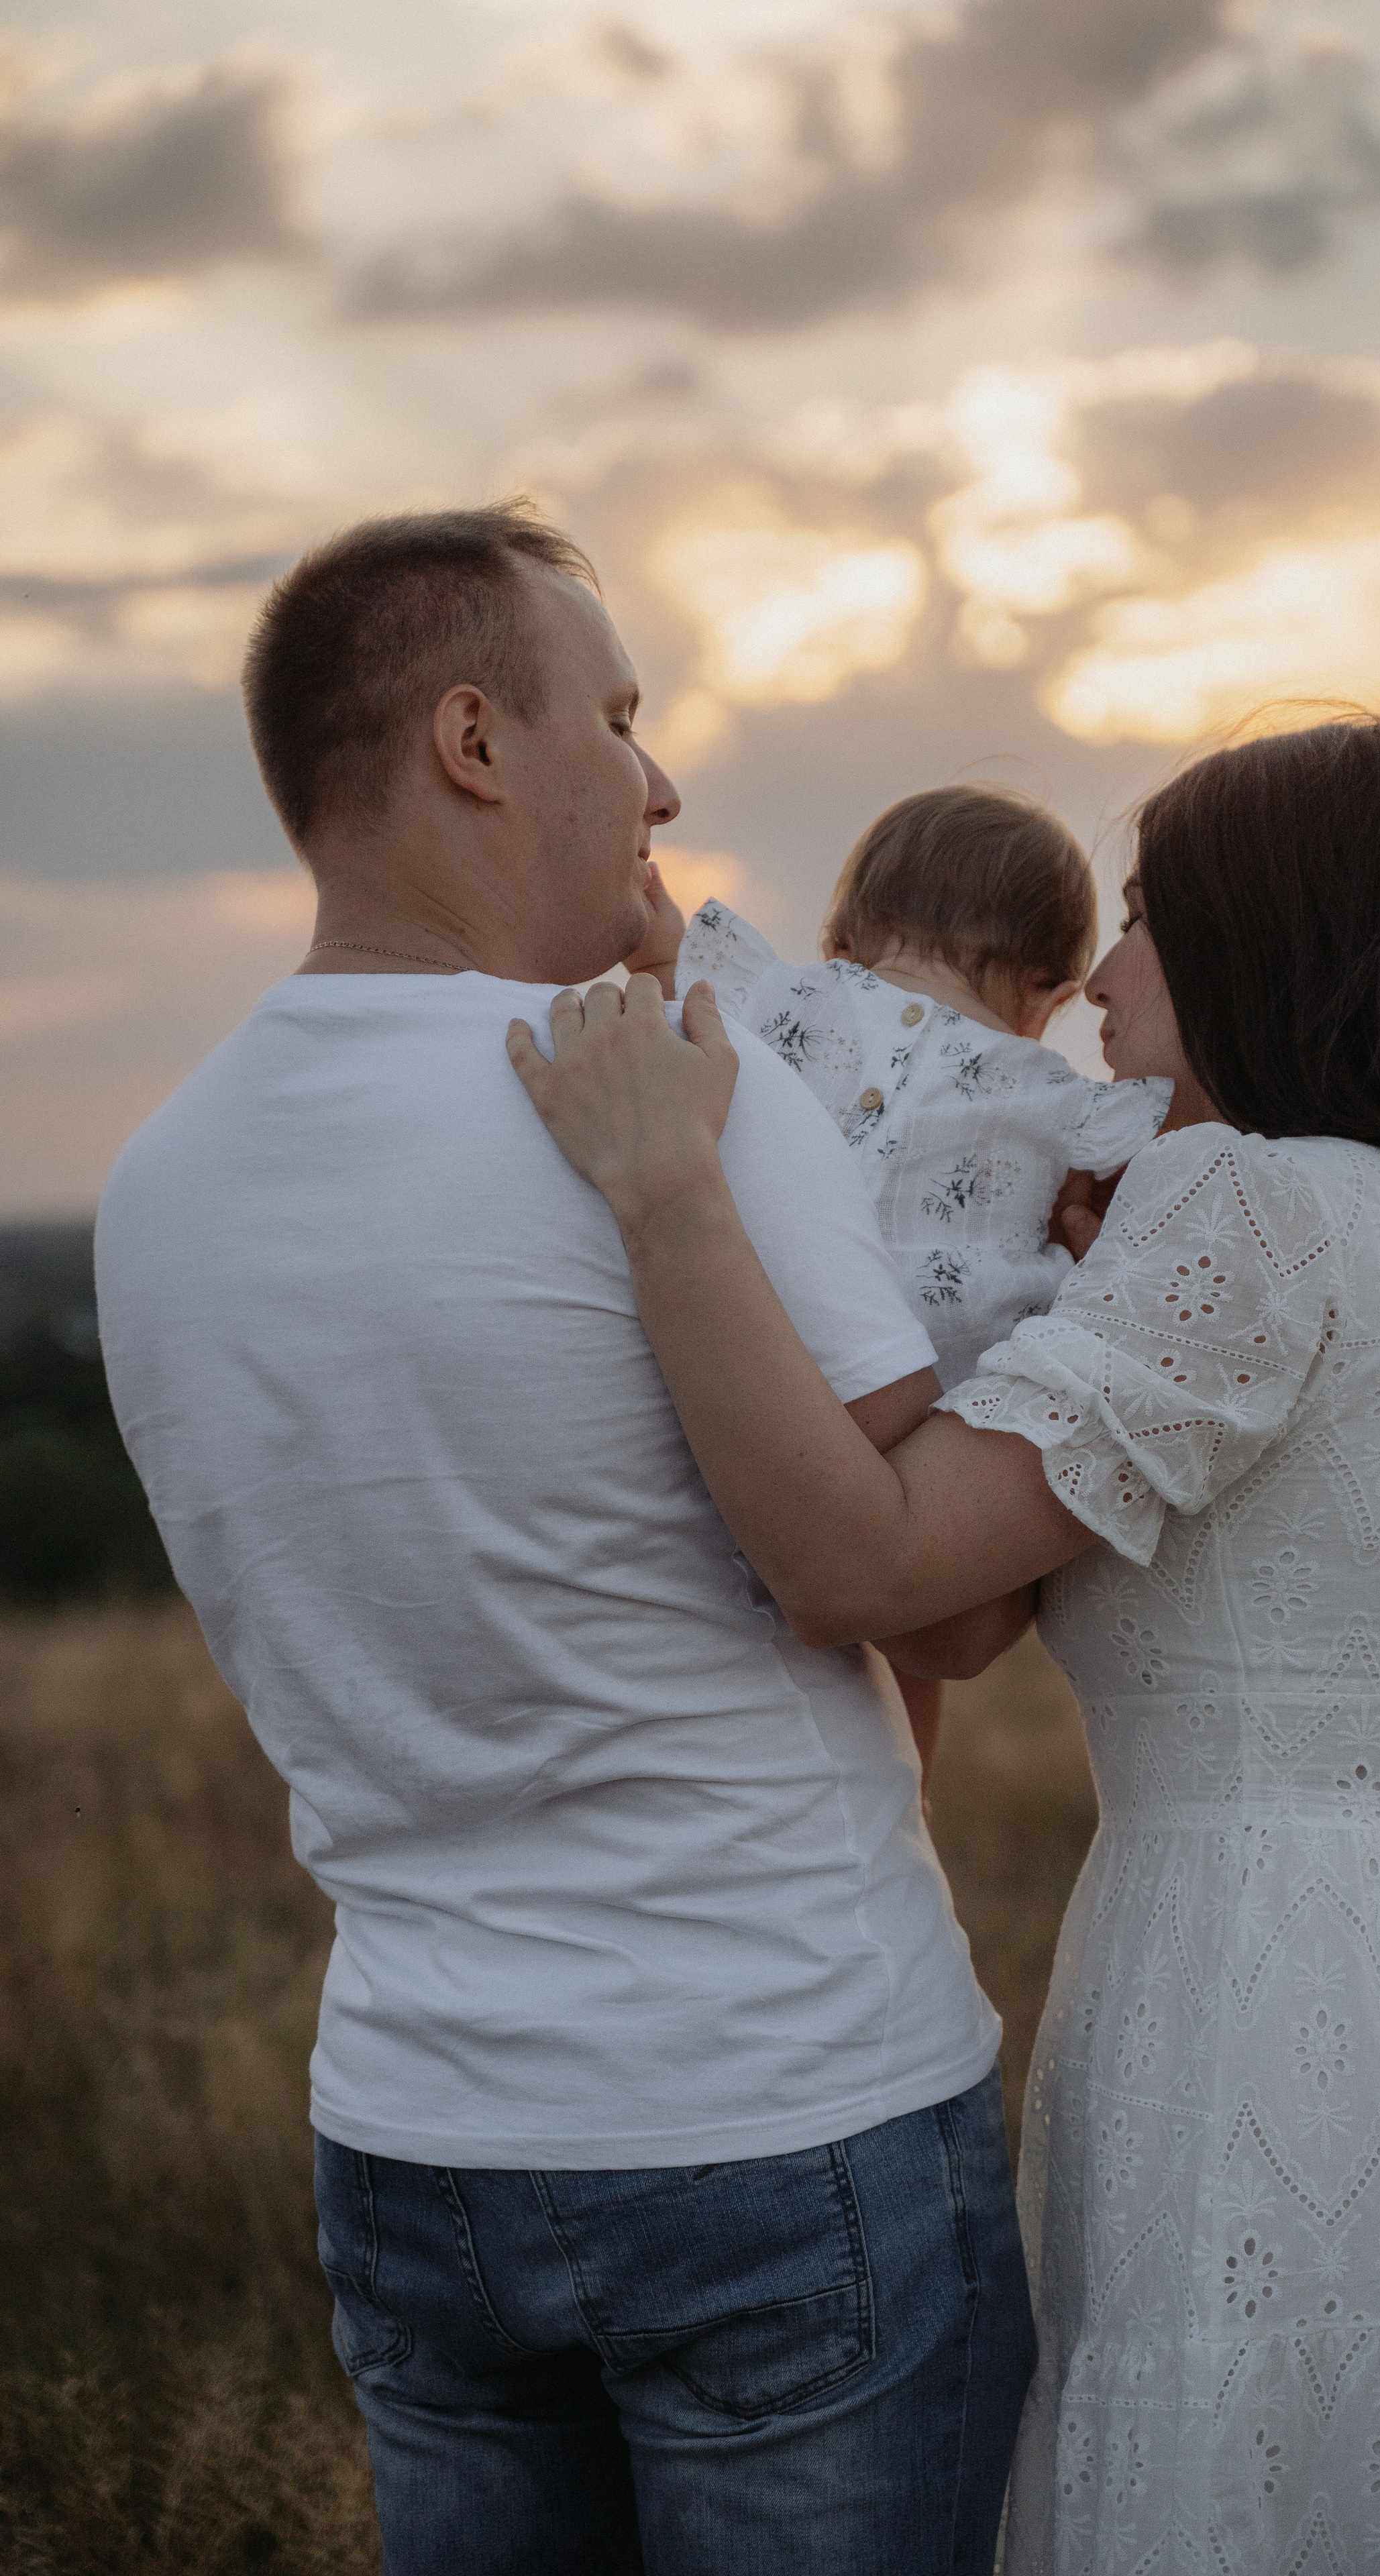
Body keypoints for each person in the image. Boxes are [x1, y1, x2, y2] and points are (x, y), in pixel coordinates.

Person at [507, 713, 1380, 2573]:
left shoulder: (1243, 1207)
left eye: (1146, 919)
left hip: (1267, 1992)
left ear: (1272, 940)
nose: (1100, 984)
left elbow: (869, 1567)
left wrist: (677, 1199)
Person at [93, 500, 1036, 2576]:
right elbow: (952, 1602)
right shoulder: (680, 1104)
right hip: (781, 2111)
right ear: (473, 741)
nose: (665, 780)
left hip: (416, 2144)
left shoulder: (154, 1190)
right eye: (618, 713)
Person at [635, 784, 1169, 1795]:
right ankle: (900, 1794)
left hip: (768, 1339)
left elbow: (677, 966)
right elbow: (1154, 1134)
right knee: (905, 1596)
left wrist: (651, 909)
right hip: (928, 1388)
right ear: (1049, 996)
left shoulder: (784, 997)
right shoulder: (1054, 1093)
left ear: (842, 936)